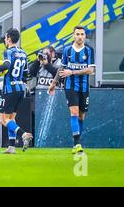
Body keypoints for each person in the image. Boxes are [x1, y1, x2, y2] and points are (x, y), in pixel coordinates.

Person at [48, 26, 95, 155]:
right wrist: (53, 83)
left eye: (82, 34)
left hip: (84, 87)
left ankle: (76, 142)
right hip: (70, 87)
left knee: (81, 115)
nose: (80, 37)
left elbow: (91, 70)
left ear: (85, 36)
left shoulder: (89, 50)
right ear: (73, 36)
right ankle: (77, 144)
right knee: (74, 113)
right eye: (78, 34)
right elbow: (62, 68)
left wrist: (72, 72)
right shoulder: (67, 50)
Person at [0, 29, 33, 154]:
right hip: (20, 89)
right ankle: (12, 147)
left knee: (3, 119)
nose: (4, 40)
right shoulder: (23, 53)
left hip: (10, 90)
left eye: (5, 38)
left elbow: (7, 65)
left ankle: (24, 134)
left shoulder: (8, 52)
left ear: (8, 38)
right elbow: (26, 74)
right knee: (11, 118)